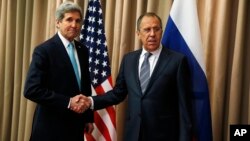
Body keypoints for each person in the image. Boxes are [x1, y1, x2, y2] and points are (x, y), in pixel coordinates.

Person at [82, 12, 193, 141]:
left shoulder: (177, 61)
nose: (152, 34)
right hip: (134, 133)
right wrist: (90, 101)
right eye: (147, 30)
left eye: (156, 29)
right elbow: (118, 93)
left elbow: (184, 107)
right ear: (138, 34)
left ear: (161, 31)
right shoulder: (129, 59)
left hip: (164, 135)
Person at [23, 2, 93, 141]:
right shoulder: (44, 50)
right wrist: (68, 102)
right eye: (69, 19)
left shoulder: (83, 50)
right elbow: (31, 89)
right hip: (50, 127)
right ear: (58, 22)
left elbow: (84, 86)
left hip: (76, 126)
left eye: (78, 21)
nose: (74, 25)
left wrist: (88, 117)